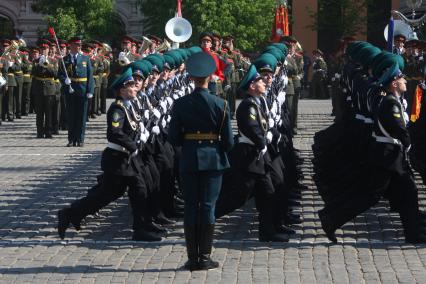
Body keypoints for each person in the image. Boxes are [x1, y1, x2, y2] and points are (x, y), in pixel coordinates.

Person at [57, 68, 161, 242]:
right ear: (122, 89)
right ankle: (70, 213)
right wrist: (133, 144)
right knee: (117, 192)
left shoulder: (128, 106)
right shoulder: (117, 109)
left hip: (127, 159)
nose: (135, 88)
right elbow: (114, 133)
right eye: (131, 86)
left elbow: (131, 127)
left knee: (123, 191)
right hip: (118, 159)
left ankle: (141, 226)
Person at [168, 52, 234, 271]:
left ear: (191, 77)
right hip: (213, 160)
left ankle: (191, 257)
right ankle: (205, 257)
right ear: (210, 77)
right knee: (208, 207)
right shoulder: (220, 104)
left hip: (189, 159)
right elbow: (229, 141)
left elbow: (174, 138)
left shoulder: (180, 104)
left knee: (189, 207)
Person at [59, 36, 94, 147]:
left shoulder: (85, 59)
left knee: (82, 116)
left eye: (80, 45)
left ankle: (80, 139)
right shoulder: (65, 60)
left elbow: (90, 76)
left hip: (83, 90)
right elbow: (60, 74)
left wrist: (90, 90)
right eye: (77, 45)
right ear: (71, 46)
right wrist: (65, 79)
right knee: (71, 116)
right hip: (70, 90)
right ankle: (71, 139)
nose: (79, 47)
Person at [32, 39, 57, 138]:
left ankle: (49, 132)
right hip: (38, 88)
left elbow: (55, 74)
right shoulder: (35, 61)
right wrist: (39, 65)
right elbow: (33, 73)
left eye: (46, 48)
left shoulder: (53, 61)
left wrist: (48, 66)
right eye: (42, 49)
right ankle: (39, 132)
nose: (44, 50)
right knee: (39, 112)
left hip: (49, 88)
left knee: (49, 111)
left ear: (49, 50)